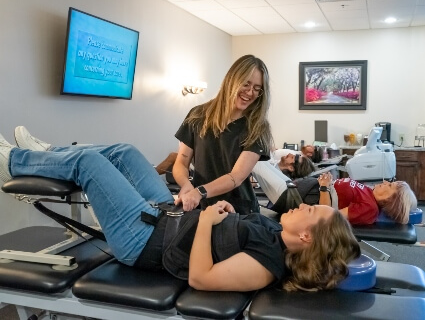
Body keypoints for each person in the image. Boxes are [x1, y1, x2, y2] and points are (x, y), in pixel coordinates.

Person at [0, 132, 360, 292]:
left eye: (311, 211)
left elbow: (200, 278)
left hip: (142, 241)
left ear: (306, 236)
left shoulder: (268, 264)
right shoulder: (273, 234)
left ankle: (14, 162)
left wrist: (206, 221)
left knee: (90, 163)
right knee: (126, 151)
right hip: (165, 214)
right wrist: (214, 208)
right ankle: (47, 153)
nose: (305, 206)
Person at [173, 55, 274, 215]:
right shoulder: (197, 115)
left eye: (257, 88)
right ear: (231, 80)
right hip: (201, 206)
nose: (250, 92)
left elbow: (236, 177)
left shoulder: (257, 127)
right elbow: (181, 163)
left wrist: (199, 192)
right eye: (246, 84)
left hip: (239, 211)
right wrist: (186, 185)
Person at [253, 160, 417, 225]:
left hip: (296, 198)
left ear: (390, 200)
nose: (386, 182)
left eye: (391, 186)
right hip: (300, 187)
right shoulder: (367, 191)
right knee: (260, 161)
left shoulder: (370, 209)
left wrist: (325, 186)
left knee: (256, 164)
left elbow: (328, 215)